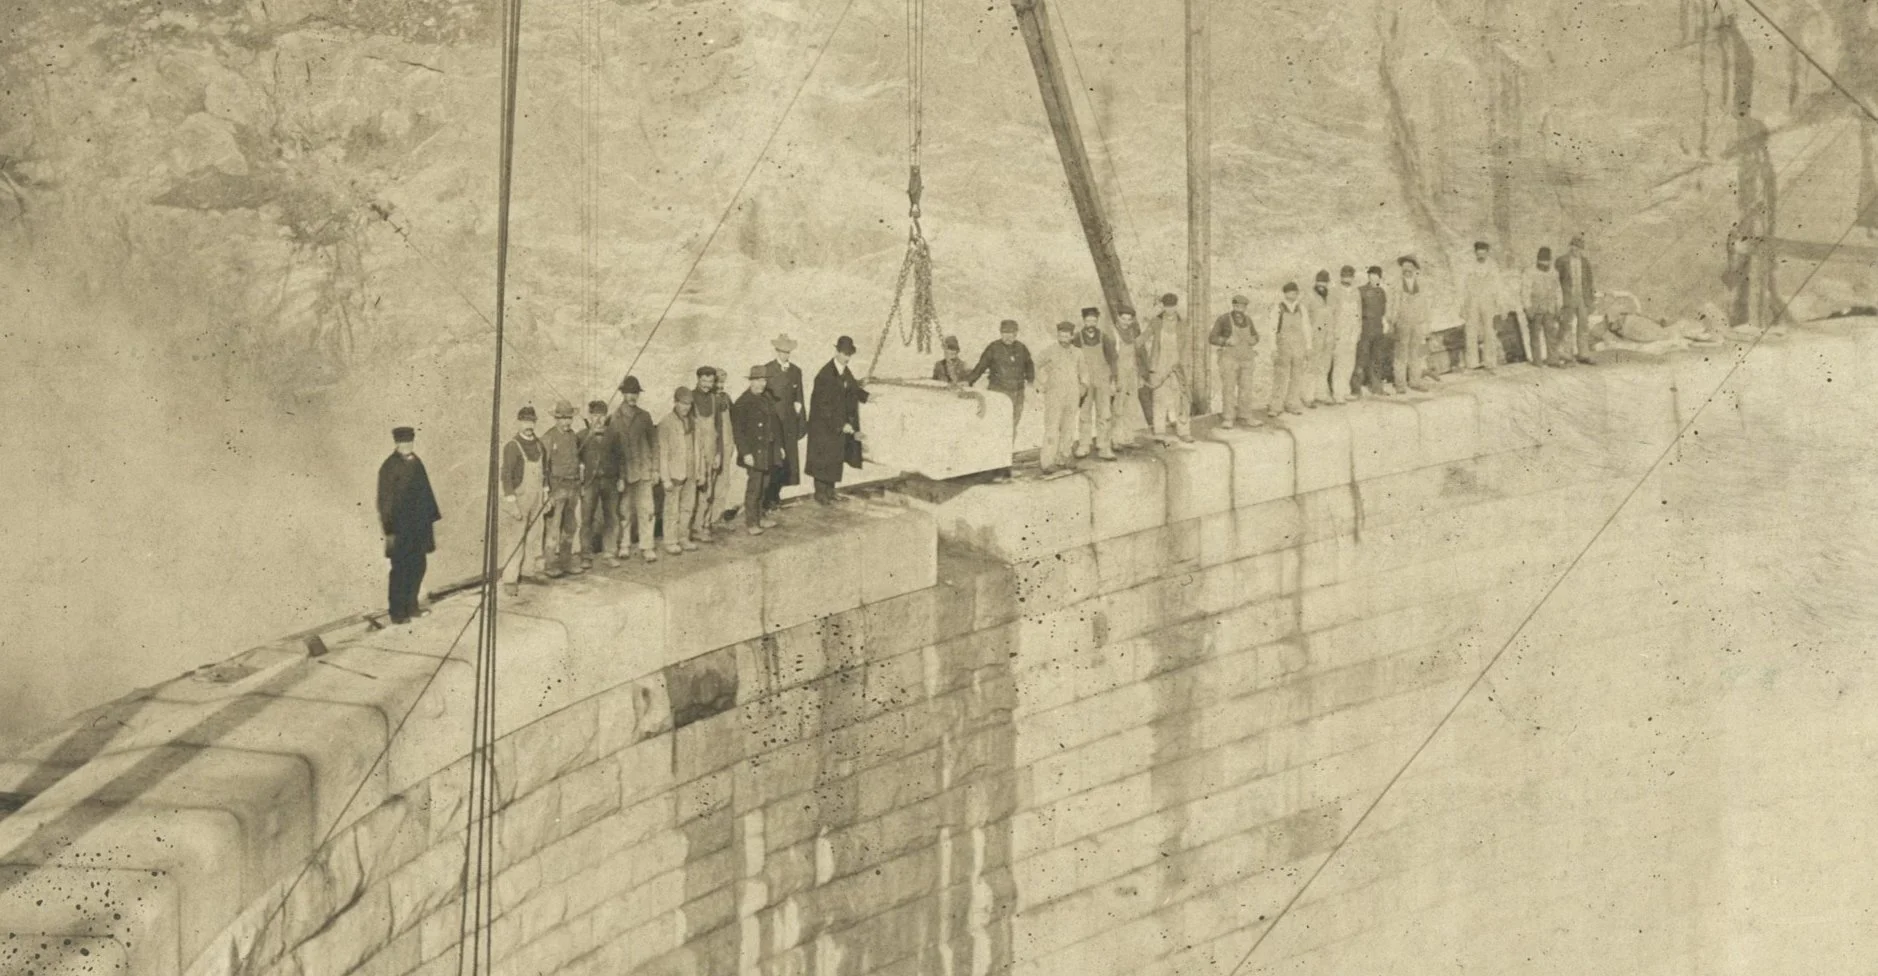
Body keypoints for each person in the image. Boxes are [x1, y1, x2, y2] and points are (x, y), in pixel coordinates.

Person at [377, 426, 440, 624]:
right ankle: (397, 613)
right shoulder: (389, 467)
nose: (407, 446)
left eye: (410, 442)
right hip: (400, 528)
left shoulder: (416, 462)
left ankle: (412, 606)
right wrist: (390, 530)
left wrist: (429, 521)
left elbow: (426, 493)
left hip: (419, 527)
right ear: (396, 443)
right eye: (403, 442)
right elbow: (384, 502)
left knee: (418, 566)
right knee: (400, 570)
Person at [805, 336, 872, 504]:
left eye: (850, 354)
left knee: (834, 458)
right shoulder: (825, 374)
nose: (847, 357)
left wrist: (867, 397)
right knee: (823, 460)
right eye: (844, 354)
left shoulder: (844, 370)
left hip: (834, 426)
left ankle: (830, 492)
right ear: (837, 352)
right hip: (823, 425)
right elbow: (822, 406)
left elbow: (851, 388)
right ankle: (821, 495)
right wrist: (841, 424)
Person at [608, 375, 659, 563]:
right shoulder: (614, 418)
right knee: (624, 511)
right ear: (622, 394)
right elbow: (612, 450)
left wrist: (655, 469)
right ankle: (624, 545)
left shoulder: (644, 416)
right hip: (625, 473)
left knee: (646, 510)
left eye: (635, 393)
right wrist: (618, 477)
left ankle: (647, 546)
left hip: (644, 471)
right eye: (628, 393)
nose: (632, 396)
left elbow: (654, 444)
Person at [731, 365, 784, 535]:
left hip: (768, 450)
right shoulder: (743, 402)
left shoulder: (766, 398)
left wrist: (779, 447)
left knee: (765, 485)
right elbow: (738, 432)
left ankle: (760, 517)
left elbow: (774, 425)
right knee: (755, 486)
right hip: (754, 453)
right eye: (760, 380)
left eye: (764, 381)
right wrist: (745, 453)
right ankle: (751, 522)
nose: (762, 384)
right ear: (752, 381)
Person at [499, 407, 547, 595]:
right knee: (516, 538)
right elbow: (506, 475)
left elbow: (545, 471)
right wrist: (511, 502)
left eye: (532, 422)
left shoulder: (539, 445)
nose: (529, 425)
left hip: (537, 498)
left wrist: (545, 493)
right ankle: (510, 579)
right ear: (519, 423)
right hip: (520, 498)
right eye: (525, 422)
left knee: (535, 535)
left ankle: (528, 571)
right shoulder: (512, 446)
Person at [762, 334, 807, 513]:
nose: (785, 355)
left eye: (787, 352)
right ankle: (767, 499)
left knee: (787, 461)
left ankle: (776, 497)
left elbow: (799, 396)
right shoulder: (768, 369)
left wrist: (800, 419)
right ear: (776, 351)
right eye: (782, 351)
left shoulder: (796, 371)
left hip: (788, 423)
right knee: (773, 460)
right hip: (773, 422)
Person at [1035, 320, 1086, 473]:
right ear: (1057, 335)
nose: (1063, 339)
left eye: (1066, 336)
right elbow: (1036, 366)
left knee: (1069, 427)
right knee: (1052, 427)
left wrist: (1083, 386)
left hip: (1072, 394)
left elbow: (1084, 372)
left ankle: (1064, 456)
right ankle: (1047, 461)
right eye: (1061, 336)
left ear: (1072, 336)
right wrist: (1042, 383)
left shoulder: (1078, 352)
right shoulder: (1049, 351)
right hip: (1054, 394)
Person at [539, 400, 583, 576]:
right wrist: (546, 492)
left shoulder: (573, 437)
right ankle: (550, 564)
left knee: (570, 527)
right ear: (556, 419)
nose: (566, 422)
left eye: (569, 418)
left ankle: (566, 562)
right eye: (563, 418)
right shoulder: (548, 437)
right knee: (553, 527)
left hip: (572, 487)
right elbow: (543, 467)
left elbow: (576, 461)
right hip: (556, 488)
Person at [966, 319, 1035, 434]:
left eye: (1011, 334)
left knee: (1013, 422)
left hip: (1017, 392)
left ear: (1016, 334)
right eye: (1005, 333)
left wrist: (1030, 381)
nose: (1008, 337)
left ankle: (1008, 449)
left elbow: (1029, 365)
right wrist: (969, 381)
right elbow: (981, 366)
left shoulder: (1021, 348)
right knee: (996, 422)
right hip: (998, 391)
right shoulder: (993, 348)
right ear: (1000, 333)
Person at [657, 387, 702, 555]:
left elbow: (697, 448)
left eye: (689, 404)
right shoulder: (666, 423)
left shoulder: (693, 422)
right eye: (683, 403)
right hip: (674, 473)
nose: (686, 407)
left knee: (687, 507)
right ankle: (670, 540)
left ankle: (683, 537)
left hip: (690, 471)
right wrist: (665, 478)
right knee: (671, 509)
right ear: (675, 402)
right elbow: (663, 453)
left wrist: (699, 472)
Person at [1145, 293, 1192, 443]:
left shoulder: (1183, 323)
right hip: (1159, 365)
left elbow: (1187, 346)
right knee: (1159, 399)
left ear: (1176, 306)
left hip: (1177, 366)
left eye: (1172, 306)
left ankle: (1184, 431)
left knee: (1180, 399)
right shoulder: (1156, 322)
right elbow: (1143, 337)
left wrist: (1184, 364)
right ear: (1163, 306)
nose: (1169, 309)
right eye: (1167, 306)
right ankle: (1159, 431)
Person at [687, 367, 727, 543]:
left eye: (710, 382)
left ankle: (703, 525)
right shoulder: (689, 398)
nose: (707, 385)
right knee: (692, 490)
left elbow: (718, 428)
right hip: (694, 452)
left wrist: (718, 453)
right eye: (704, 381)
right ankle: (689, 528)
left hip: (711, 451)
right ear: (698, 379)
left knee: (708, 490)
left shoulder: (714, 399)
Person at [1210, 293, 1261, 427]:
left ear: (1245, 308)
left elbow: (1256, 336)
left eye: (1242, 307)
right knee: (1229, 388)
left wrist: (1253, 340)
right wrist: (1226, 341)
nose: (1240, 310)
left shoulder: (1248, 320)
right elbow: (1212, 338)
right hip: (1229, 359)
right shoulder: (1223, 319)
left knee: (1246, 388)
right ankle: (1228, 418)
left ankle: (1245, 415)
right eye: (1237, 306)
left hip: (1246, 359)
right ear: (1233, 306)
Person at [576, 400, 617, 570]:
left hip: (610, 482)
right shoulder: (581, 436)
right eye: (595, 416)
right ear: (589, 417)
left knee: (611, 517)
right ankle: (586, 555)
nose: (598, 420)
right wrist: (580, 483)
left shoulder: (614, 435)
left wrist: (620, 479)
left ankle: (609, 553)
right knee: (587, 520)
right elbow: (576, 461)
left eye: (602, 416)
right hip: (590, 483)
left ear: (606, 417)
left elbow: (620, 458)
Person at [1073, 307, 1117, 460]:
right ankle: (1084, 445)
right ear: (1083, 321)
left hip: (1103, 381)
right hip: (1085, 381)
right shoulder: (1077, 338)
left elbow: (1112, 360)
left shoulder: (1104, 338)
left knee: (1104, 414)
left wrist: (1113, 382)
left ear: (1097, 321)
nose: (1090, 323)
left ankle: (1104, 446)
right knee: (1084, 413)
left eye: (1093, 320)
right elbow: (1073, 362)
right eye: (1087, 320)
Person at [1458, 240, 1507, 371]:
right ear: (1475, 253)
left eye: (1483, 253)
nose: (1481, 256)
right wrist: (1462, 305)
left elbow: (1498, 286)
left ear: (1487, 253)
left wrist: (1501, 304)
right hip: (1472, 301)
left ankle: (1490, 361)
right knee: (1471, 331)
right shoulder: (1468, 266)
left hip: (1488, 300)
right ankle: (1472, 363)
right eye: (1479, 253)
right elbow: (1462, 287)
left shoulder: (1493, 266)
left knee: (1489, 331)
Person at [1267, 283, 1314, 417]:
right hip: (1283, 346)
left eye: (1295, 292)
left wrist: (1309, 347)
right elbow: (1272, 330)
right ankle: (1276, 406)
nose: (1293, 294)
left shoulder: (1301, 308)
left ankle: (1292, 403)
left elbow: (1306, 328)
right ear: (1285, 293)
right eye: (1290, 292)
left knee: (1297, 375)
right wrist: (1273, 349)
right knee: (1281, 375)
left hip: (1299, 346)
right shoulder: (1278, 308)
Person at [1389, 255, 1435, 392]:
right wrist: (1392, 321)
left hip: (1417, 324)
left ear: (1415, 269)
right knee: (1400, 355)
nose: (1407, 269)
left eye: (1410, 267)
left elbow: (1426, 306)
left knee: (1415, 354)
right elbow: (1391, 305)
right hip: (1402, 323)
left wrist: (1426, 323)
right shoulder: (1396, 285)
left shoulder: (1421, 285)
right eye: (1404, 267)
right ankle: (1400, 384)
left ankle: (1415, 381)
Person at [1110, 305, 1147, 447]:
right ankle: (1115, 439)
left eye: (1128, 320)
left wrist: (1139, 376)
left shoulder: (1131, 333)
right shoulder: (1113, 333)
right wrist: (1113, 379)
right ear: (1118, 318)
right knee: (1118, 407)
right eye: (1123, 318)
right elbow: (1110, 358)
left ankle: (1128, 438)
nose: (1125, 322)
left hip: (1132, 373)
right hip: (1119, 373)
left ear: (1132, 321)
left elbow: (1136, 356)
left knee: (1131, 406)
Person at [1557, 234, 1597, 364]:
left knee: (1583, 326)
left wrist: (1590, 301)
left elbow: (1590, 282)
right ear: (1570, 247)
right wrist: (1558, 300)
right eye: (1573, 247)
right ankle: (1566, 355)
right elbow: (1556, 281)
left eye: (1578, 248)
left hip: (1582, 298)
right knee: (1566, 326)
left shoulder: (1585, 262)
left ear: (1582, 249)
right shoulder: (1561, 261)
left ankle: (1583, 354)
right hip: (1567, 298)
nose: (1575, 250)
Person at [1355, 266, 1393, 396]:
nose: (1374, 277)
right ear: (1368, 276)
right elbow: (1357, 312)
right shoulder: (1361, 291)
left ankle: (1377, 387)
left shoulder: (1381, 292)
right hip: (1365, 329)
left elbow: (1382, 311)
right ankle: (1356, 388)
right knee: (1362, 359)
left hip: (1377, 329)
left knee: (1377, 359)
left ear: (1380, 278)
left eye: (1377, 275)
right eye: (1371, 275)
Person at [1327, 265, 1363, 403]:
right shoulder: (1334, 292)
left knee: (1349, 361)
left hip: (1352, 331)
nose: (1347, 278)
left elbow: (1358, 312)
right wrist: (1334, 332)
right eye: (1344, 276)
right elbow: (1330, 314)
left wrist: (1358, 330)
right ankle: (1337, 392)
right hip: (1340, 330)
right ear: (1341, 276)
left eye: (1349, 276)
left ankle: (1346, 390)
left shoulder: (1355, 292)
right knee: (1339, 362)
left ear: (1353, 278)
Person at [1525, 246, 1565, 367]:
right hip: (1535, 308)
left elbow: (1558, 290)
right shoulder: (1529, 272)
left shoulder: (1554, 273)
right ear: (1537, 260)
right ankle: (1537, 360)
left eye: (1546, 261)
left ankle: (1552, 359)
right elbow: (1525, 290)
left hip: (1550, 308)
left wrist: (1559, 306)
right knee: (1535, 335)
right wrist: (1527, 307)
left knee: (1551, 334)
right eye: (1542, 262)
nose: (1544, 264)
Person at [1307, 271, 1336, 405]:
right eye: (1319, 282)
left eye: (1324, 282)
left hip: (1328, 337)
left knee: (1325, 366)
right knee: (1312, 366)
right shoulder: (1309, 297)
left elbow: (1334, 316)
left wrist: (1332, 335)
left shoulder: (1330, 297)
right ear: (1315, 282)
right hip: (1314, 336)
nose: (1321, 285)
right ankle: (1308, 396)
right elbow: (1305, 319)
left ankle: (1321, 394)